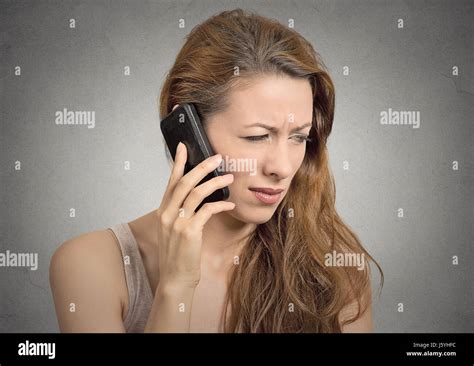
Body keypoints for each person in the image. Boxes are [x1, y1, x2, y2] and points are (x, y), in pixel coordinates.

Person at [50, 8, 383, 333]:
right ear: (187, 131)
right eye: (257, 136)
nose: (282, 168)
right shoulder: (90, 266)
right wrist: (177, 285)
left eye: (299, 137)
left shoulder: (335, 270)